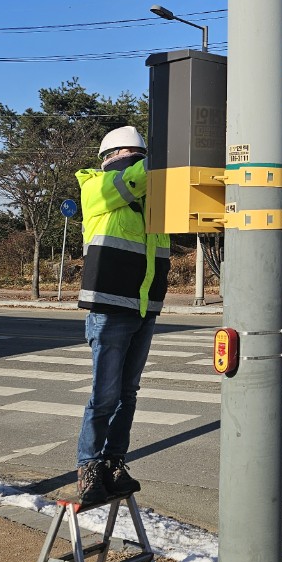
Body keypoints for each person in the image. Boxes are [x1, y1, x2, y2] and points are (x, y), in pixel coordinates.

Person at [74, 125, 170, 505]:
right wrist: (160, 155)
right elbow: (133, 179)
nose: (134, 161)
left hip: (145, 306)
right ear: (111, 159)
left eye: (139, 155)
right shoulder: (95, 186)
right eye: (129, 155)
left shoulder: (152, 198)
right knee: (105, 394)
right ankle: (89, 466)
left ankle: (115, 461)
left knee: (127, 393)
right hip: (110, 304)